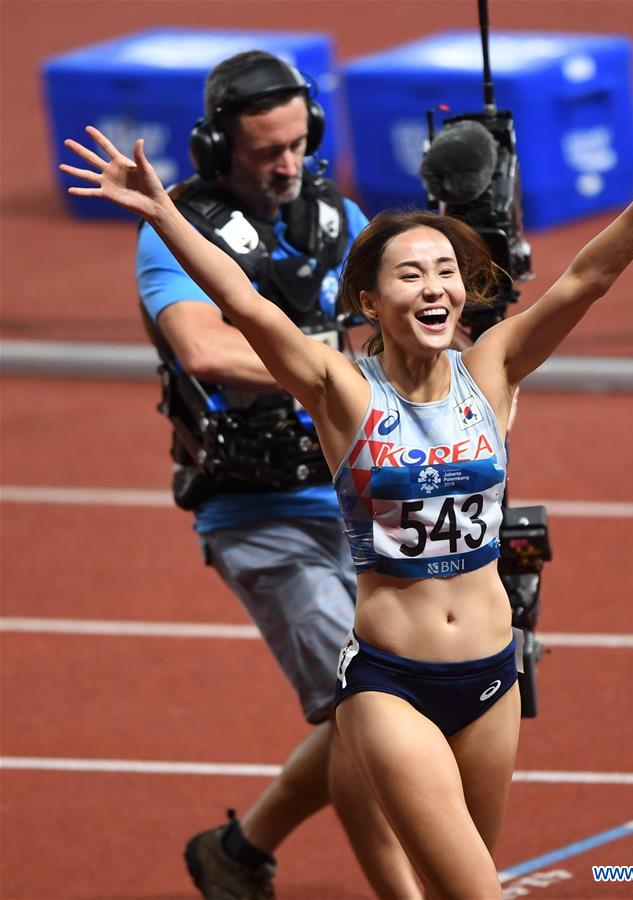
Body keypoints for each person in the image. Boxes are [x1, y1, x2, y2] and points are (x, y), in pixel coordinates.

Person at [62, 68, 633, 898]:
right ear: (368, 298)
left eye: (446, 271)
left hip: (491, 679)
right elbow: (241, 307)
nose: (434, 286)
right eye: (410, 274)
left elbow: (586, 279)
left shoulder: (494, 368)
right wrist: (163, 213)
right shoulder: (341, 390)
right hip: (391, 687)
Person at [133, 51, 420, 899]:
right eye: (266, 151)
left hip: (367, 493)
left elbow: (401, 332)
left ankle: (240, 850)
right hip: (258, 510)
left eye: (299, 143)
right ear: (217, 148)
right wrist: (340, 365)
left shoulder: (341, 217)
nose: (289, 165)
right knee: (367, 710)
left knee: (436, 677)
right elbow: (204, 348)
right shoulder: (173, 230)